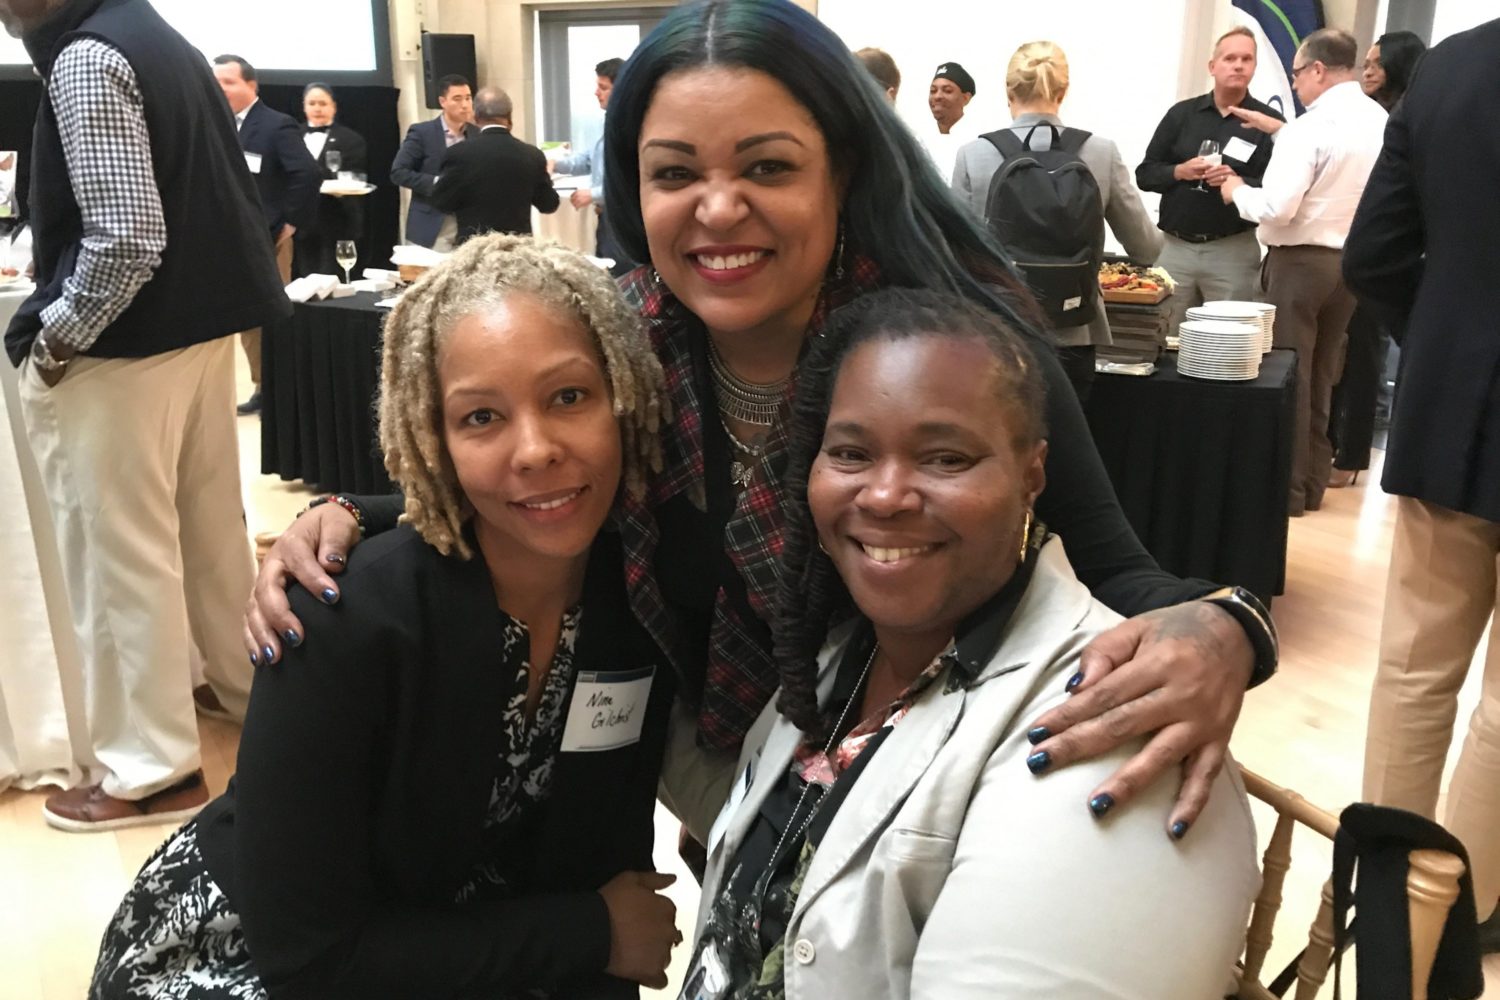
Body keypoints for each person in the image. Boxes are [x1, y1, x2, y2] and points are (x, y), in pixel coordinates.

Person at [249, 0, 1279, 837]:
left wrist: (1229, 627)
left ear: (841, 168)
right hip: (709, 773)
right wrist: (350, 513)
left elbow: (1122, 568)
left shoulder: (950, 351)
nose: (717, 208)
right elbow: (536, 474)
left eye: (767, 167)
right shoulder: (625, 340)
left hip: (915, 798)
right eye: (675, 173)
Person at [91, 235, 684, 998]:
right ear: (432, 440)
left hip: (471, 951)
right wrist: (588, 934)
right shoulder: (340, 623)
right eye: (481, 417)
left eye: (569, 397)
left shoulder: (636, 600)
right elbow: (311, 963)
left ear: (625, 398)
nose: (535, 450)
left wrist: (594, 938)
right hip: (253, 963)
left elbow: (605, 882)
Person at [677, 287, 1259, 998]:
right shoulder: (841, 657)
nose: (885, 495)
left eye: (945, 458)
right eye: (852, 452)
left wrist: (1233, 621)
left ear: (1032, 475)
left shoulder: (1108, 725)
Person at [0, 0, 286, 830]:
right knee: (209, 533)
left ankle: (150, 770)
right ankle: (247, 690)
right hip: (196, 330)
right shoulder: (158, 36)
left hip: (123, 349)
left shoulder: (89, 56)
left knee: (117, 560)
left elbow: (125, 239)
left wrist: (55, 338)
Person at [1349, 16, 1500, 927]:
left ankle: (1383, 903)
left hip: (1451, 411)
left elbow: (1373, 256)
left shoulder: (1449, 70)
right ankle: (1464, 916)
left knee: (1412, 671)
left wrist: (1445, 339)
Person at [1216, 28, 1386, 517]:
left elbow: (1277, 207)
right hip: (1348, 265)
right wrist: (1280, 132)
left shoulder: (1308, 129)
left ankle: (1284, 493)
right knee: (1323, 376)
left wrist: (1234, 190)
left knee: (1288, 376)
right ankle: (1311, 483)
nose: (1294, 85)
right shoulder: (1380, 120)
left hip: (1298, 266)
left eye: (1296, 74)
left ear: (1317, 69)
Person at [952, 40, 1162, 401]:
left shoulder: (974, 155)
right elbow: (1145, 249)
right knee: (1068, 436)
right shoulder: (1101, 152)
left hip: (997, 331)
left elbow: (955, 254)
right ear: (1063, 92)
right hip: (1075, 330)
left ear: (1008, 92)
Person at [1327, 29, 1428, 489]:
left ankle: (1351, 456)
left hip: (1386, 253)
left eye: (1375, 64)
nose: (1366, 71)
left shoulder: (1411, 116)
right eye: (1364, 63)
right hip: (1350, 245)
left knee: (1366, 355)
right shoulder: (1365, 115)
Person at [1136, 26, 1282, 337]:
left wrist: (1238, 181)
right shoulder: (1181, 115)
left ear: (1255, 67)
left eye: (1246, 59)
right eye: (1230, 58)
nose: (1238, 65)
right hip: (1175, 249)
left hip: (1232, 251)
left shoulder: (1267, 123)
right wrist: (1179, 172)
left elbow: (1280, 190)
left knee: (1228, 340)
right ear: (1212, 66)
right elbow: (1145, 174)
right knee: (1161, 337)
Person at [214, 54, 320, 416]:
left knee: (271, 315)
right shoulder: (217, 123)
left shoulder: (276, 124)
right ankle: (262, 385)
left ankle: (282, 388)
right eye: (215, 82)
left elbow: (306, 174)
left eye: (228, 82)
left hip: (267, 239)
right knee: (245, 319)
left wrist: (290, 223)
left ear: (251, 85)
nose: (220, 89)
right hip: (229, 239)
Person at [429, 86, 558, 244]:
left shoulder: (458, 154)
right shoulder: (532, 155)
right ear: (509, 117)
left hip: (474, 249)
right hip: (517, 249)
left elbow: (441, 203)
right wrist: (547, 176)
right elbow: (549, 205)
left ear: (476, 117)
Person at [549, 57, 634, 276]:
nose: (597, 93)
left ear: (621, 88)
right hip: (606, 219)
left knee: (621, 278)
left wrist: (593, 194)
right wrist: (556, 164)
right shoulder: (607, 122)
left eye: (603, 88)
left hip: (625, 219)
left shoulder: (632, 127)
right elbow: (589, 160)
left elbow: (633, 181)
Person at [293, 82, 370, 279]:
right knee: (307, 280)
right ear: (304, 106)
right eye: (312, 103)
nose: (317, 108)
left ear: (333, 107)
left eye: (323, 103)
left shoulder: (351, 139)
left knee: (335, 279)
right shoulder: (292, 136)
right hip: (303, 222)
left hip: (338, 219)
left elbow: (355, 176)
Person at [391, 73, 475, 250]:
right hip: (431, 223)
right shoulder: (423, 132)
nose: (465, 105)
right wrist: (437, 182)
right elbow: (398, 172)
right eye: (457, 99)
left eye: (468, 98)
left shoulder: (477, 134)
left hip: (468, 223)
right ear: (442, 102)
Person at [920, 61, 978, 184]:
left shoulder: (976, 141)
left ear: (966, 98)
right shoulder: (920, 141)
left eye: (947, 91)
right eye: (933, 91)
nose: (937, 96)